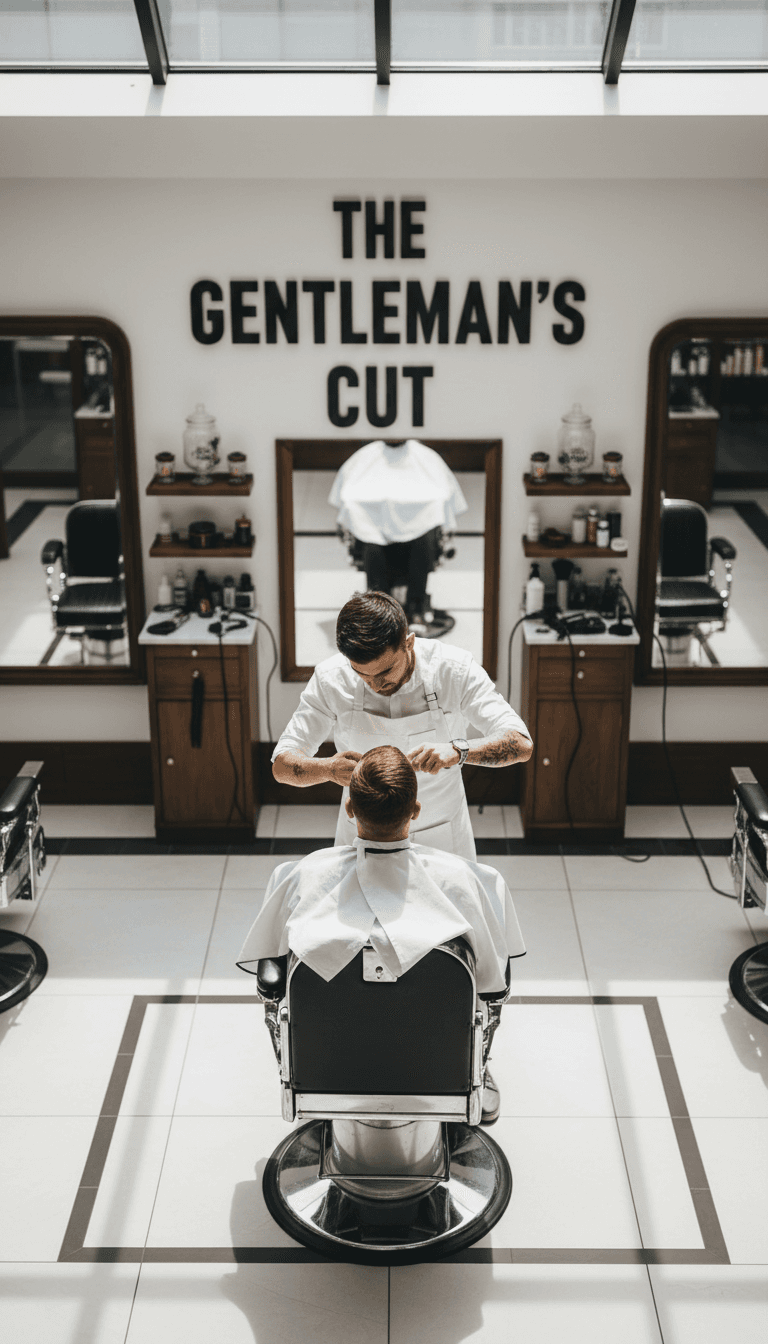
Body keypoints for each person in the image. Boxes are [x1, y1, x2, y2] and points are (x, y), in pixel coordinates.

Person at [239, 746, 526, 1124]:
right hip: (436, 1068)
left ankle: (307, 1085)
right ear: (416, 810)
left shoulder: (298, 877)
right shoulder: (471, 883)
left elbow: (272, 978)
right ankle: (472, 1081)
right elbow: (491, 984)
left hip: (327, 1068)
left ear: (350, 809)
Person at [272, 590, 533, 862]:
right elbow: (281, 766)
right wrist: (327, 769)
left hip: (442, 833)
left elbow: (521, 743)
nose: (375, 685)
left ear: (408, 643)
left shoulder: (454, 670)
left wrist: (459, 751)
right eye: (361, 674)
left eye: (385, 672)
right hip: (362, 836)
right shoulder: (331, 679)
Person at [329, 437, 467, 628]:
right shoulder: (366, 457)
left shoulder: (425, 457)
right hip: (375, 536)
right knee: (371, 538)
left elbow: (443, 497)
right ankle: (380, 611)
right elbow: (347, 497)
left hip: (419, 538)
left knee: (426, 529)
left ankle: (416, 605)